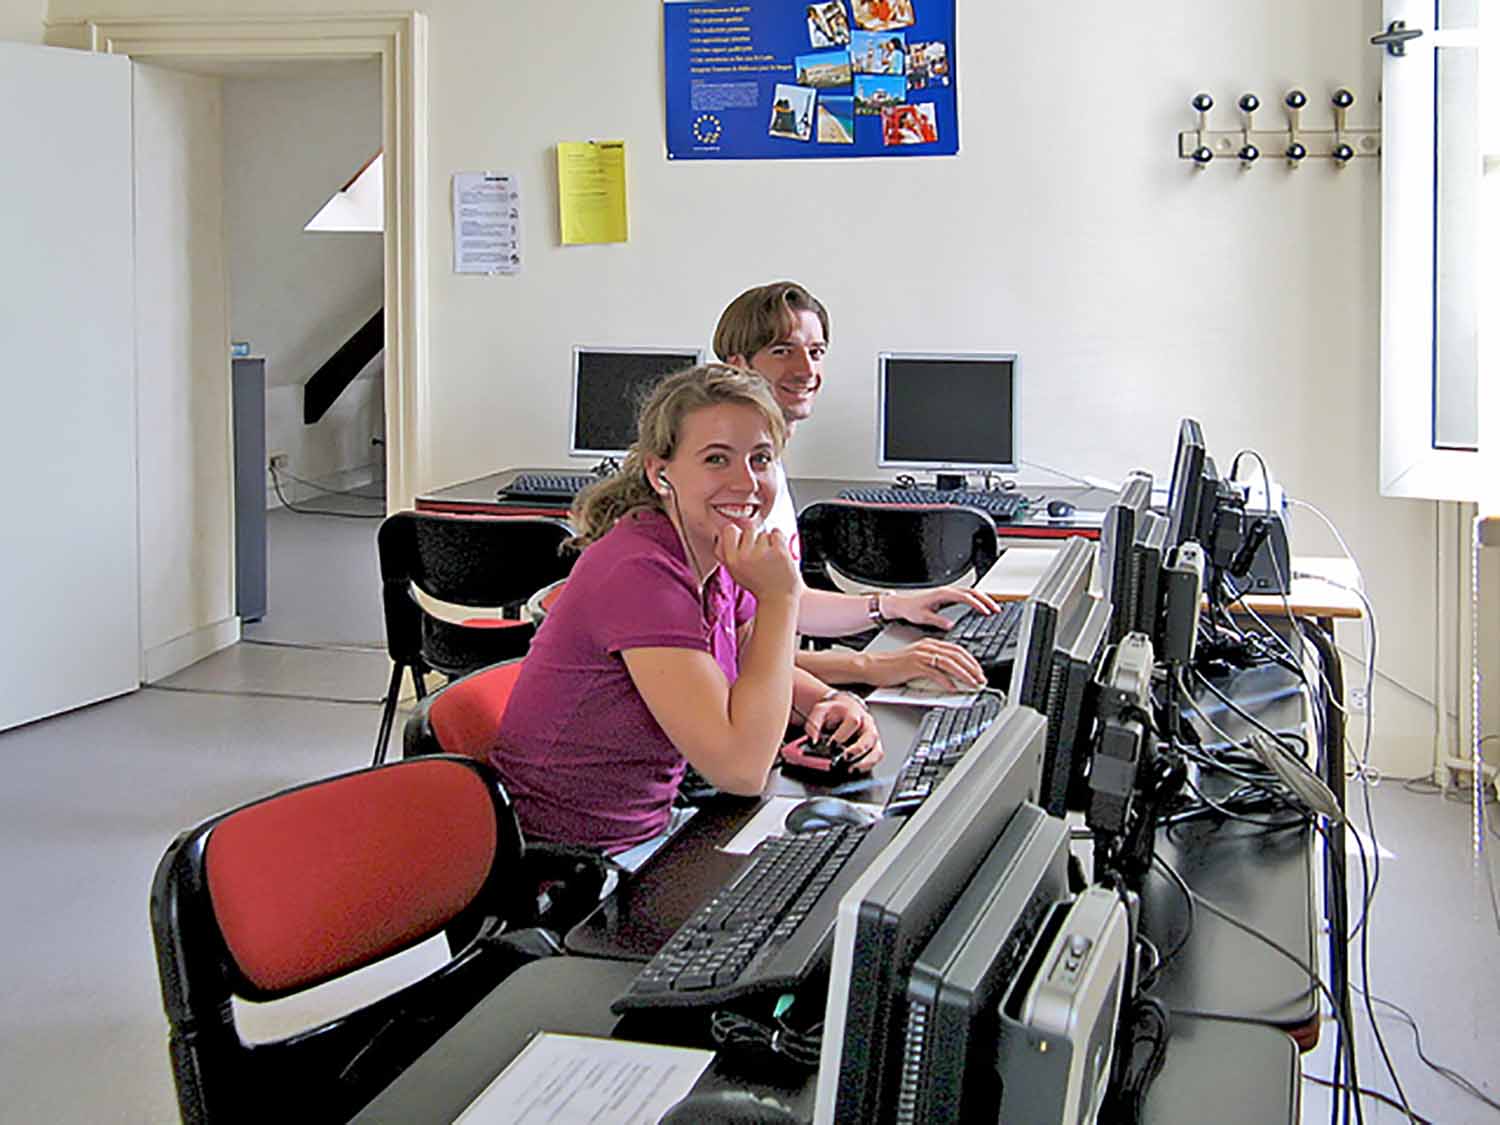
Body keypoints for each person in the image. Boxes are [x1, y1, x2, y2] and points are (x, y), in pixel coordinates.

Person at [490, 365, 882, 856]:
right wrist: (781, 599)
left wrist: (833, 701)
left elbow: (752, 661)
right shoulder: (639, 569)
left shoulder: (718, 551)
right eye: (717, 459)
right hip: (573, 863)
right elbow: (740, 769)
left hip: (652, 827)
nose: (746, 482)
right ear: (661, 473)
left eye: (761, 459)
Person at [713, 282, 999, 692]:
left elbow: (788, 602)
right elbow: (734, 652)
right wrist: (871, 665)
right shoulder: (729, 488)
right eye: (783, 351)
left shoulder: (769, 467)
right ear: (738, 367)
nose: (807, 370)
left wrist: (890, 605)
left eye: (816, 352)